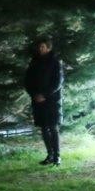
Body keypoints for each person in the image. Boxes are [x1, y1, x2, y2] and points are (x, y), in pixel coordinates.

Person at [24, 37, 64, 166]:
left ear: (48, 48)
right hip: (37, 100)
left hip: (51, 100)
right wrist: (34, 94)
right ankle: (49, 155)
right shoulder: (34, 62)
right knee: (43, 128)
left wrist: (45, 95)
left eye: (43, 47)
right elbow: (27, 80)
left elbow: (58, 82)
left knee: (53, 127)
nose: (40, 49)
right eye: (39, 47)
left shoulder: (55, 62)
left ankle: (57, 156)